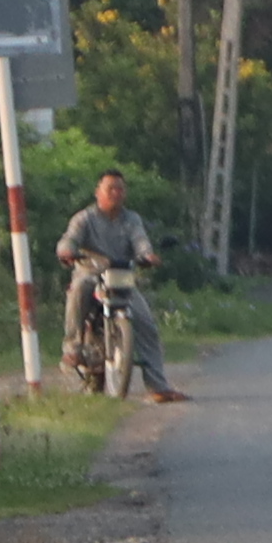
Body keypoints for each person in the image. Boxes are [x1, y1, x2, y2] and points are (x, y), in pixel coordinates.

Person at [57, 171, 184, 404]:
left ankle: (158, 386)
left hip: (121, 278)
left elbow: (141, 241)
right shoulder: (84, 218)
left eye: (120, 189)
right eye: (111, 188)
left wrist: (147, 255)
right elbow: (69, 239)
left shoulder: (131, 219)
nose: (116, 193)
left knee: (147, 324)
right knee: (78, 289)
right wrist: (66, 251)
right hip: (91, 273)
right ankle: (72, 346)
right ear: (98, 192)